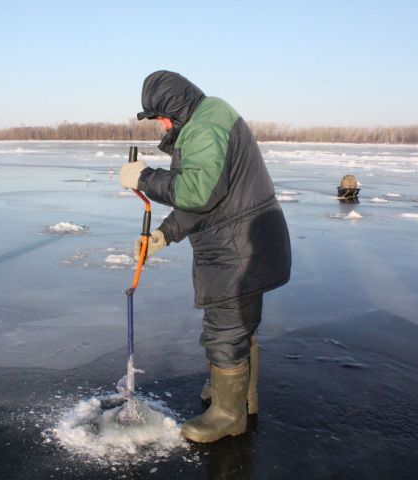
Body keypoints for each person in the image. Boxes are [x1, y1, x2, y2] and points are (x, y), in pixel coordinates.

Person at [119, 70, 291, 443]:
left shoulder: (205, 128)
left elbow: (196, 192)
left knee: (226, 329)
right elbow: (203, 198)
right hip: (243, 241)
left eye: (161, 116)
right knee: (240, 324)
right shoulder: (206, 120)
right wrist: (164, 234)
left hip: (237, 248)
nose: (161, 124)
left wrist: (144, 178)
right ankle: (239, 395)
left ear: (176, 107)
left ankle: (228, 415)